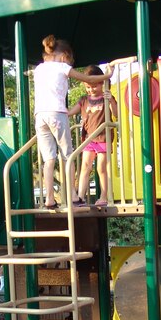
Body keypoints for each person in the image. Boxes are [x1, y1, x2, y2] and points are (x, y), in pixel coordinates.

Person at [33, 35, 113, 209]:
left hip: (40, 116)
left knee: (49, 159)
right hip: (57, 113)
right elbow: (90, 79)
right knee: (68, 155)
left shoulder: (38, 68)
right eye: (70, 62)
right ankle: (73, 196)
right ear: (64, 57)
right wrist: (108, 74)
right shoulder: (62, 66)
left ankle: (49, 199)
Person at [68, 65, 118, 206]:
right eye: (88, 87)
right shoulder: (84, 100)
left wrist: (112, 101)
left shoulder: (106, 98)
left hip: (103, 137)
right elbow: (71, 112)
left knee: (101, 168)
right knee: (85, 166)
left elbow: (116, 114)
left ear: (102, 83)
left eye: (94, 86)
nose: (91, 90)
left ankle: (103, 196)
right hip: (89, 138)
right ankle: (80, 197)